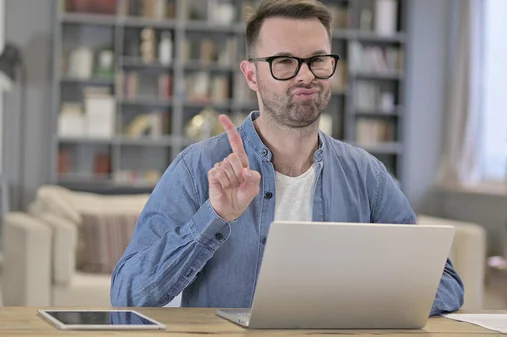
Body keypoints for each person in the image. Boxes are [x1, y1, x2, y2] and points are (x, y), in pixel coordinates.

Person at [110, 0, 464, 316]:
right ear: (252, 75)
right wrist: (214, 217)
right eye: (284, 62)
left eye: (317, 60)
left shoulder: (366, 175)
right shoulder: (197, 168)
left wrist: (354, 298)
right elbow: (127, 294)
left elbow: (446, 284)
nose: (306, 75)